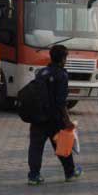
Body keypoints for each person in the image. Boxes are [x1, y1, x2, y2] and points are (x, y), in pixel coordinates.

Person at [27, 44, 82, 185]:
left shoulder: (41, 72)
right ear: (63, 59)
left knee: (35, 147)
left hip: (38, 116)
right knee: (62, 145)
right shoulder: (61, 75)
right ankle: (70, 173)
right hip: (54, 118)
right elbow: (61, 101)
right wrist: (67, 120)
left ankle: (33, 176)